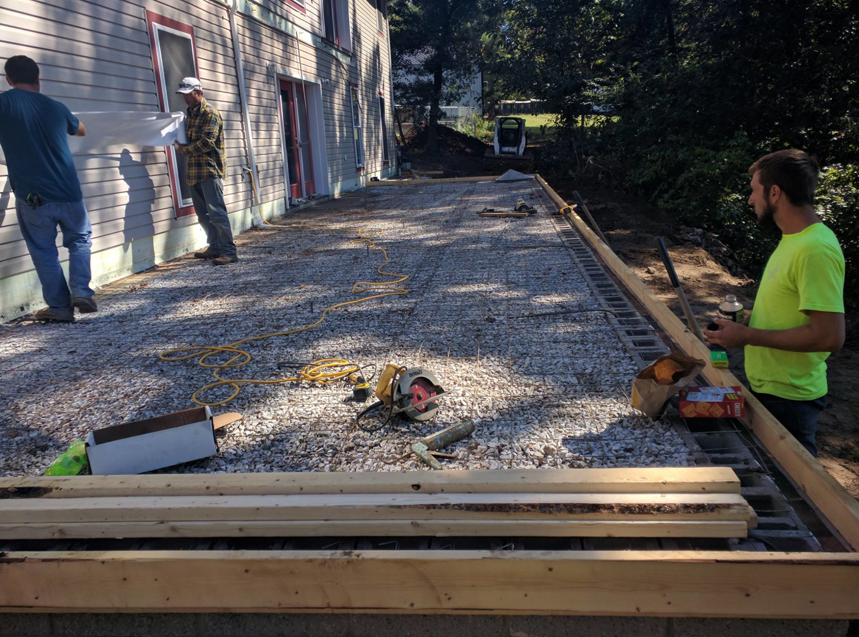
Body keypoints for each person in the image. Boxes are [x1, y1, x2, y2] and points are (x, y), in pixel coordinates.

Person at [704, 149, 845, 457]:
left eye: (755, 191)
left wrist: (749, 336)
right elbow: (788, 311)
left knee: (798, 491)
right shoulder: (793, 239)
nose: (750, 200)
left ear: (775, 192)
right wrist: (743, 323)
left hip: (790, 399)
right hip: (774, 390)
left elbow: (830, 336)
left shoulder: (815, 249)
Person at [0, 55, 97, 322]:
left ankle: (60, 309)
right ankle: (81, 290)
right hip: (68, 192)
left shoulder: (4, 103)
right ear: (38, 79)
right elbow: (81, 130)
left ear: (8, 79)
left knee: (44, 251)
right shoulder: (56, 107)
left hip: (33, 197)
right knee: (79, 241)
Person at [173, 77, 237, 265]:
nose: (185, 98)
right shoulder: (190, 114)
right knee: (203, 214)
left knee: (217, 213)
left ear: (198, 93)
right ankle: (215, 247)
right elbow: (187, 138)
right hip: (194, 172)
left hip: (210, 171)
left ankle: (229, 251)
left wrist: (183, 149)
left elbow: (206, 142)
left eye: (188, 95)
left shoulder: (210, 114)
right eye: (183, 95)